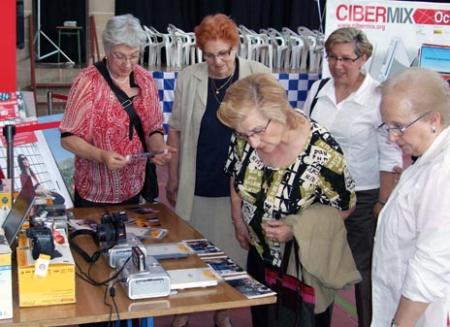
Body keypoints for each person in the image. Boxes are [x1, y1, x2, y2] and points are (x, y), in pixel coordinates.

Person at [218, 73, 358, 327]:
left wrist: (295, 229)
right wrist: (237, 218)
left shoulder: (322, 150)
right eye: (244, 134)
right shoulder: (245, 135)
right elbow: (235, 174)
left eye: (258, 132)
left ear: (280, 112)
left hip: (303, 264)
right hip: (260, 254)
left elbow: (345, 208)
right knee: (263, 320)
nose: (253, 142)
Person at [166, 13, 270, 327]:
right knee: (190, 251)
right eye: (210, 55)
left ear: (235, 47)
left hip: (238, 187)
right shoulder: (189, 77)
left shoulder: (258, 75)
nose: (218, 62)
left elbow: (275, 129)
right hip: (197, 179)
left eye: (224, 53)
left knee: (230, 255)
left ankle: (222, 311)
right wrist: (173, 176)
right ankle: (183, 310)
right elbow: (176, 130)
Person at [302, 27, 402, 327]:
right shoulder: (317, 90)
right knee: (317, 271)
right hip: (318, 198)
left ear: (364, 58)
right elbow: (305, 140)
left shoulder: (379, 97)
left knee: (365, 275)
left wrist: (383, 202)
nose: (338, 65)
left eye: (346, 58)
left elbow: (391, 156)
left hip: (363, 198)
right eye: (332, 57)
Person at [60, 14, 172, 208]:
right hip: (95, 192)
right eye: (119, 56)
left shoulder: (145, 80)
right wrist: (101, 156)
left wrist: (158, 148)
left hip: (134, 188)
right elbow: (68, 138)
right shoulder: (87, 82)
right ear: (107, 49)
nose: (127, 64)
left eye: (134, 56)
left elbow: (154, 128)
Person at [372, 68, 450, 327]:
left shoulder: (442, 173)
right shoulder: (428, 159)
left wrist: (399, 325)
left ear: (434, 121)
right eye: (388, 126)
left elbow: (431, 265)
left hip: (423, 314)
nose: (392, 137)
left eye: (399, 127)